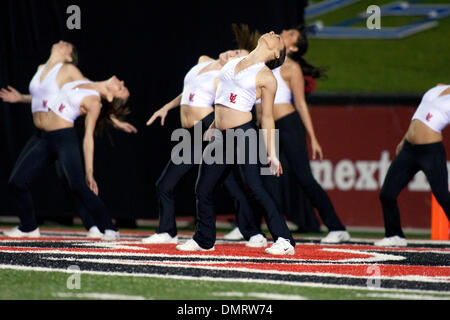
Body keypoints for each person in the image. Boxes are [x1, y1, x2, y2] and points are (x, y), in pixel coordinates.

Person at [0, 41, 136, 238]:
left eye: (122, 89)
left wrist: (90, 172)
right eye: (123, 85)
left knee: (78, 185)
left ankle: (109, 228)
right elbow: (47, 96)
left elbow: (88, 138)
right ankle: (29, 227)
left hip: (64, 139)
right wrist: (21, 97)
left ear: (109, 96)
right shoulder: (86, 83)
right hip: (45, 138)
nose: (121, 83)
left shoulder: (94, 100)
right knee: (16, 182)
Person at [176, 31, 296, 255]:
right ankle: (204, 239)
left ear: (276, 53)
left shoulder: (266, 77)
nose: (273, 33)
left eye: (277, 38)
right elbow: (222, 96)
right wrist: (213, 127)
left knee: (255, 188)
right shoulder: (233, 61)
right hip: (221, 136)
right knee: (203, 188)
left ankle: (284, 239)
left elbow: (267, 117)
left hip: (243, 134)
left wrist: (272, 153)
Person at [142, 48, 267, 248]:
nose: (231, 54)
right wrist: (167, 106)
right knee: (164, 184)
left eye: (238, 56)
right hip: (191, 134)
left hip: (207, 127)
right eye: (233, 50)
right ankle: (167, 231)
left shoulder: (225, 76)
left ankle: (253, 233)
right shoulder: (203, 60)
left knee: (231, 184)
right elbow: (188, 92)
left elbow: (227, 102)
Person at [376, 84, 450, 247]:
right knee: (387, 193)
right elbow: (420, 114)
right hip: (409, 148)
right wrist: (404, 139)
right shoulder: (438, 88)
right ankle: (394, 235)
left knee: (443, 196)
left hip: (431, 151)